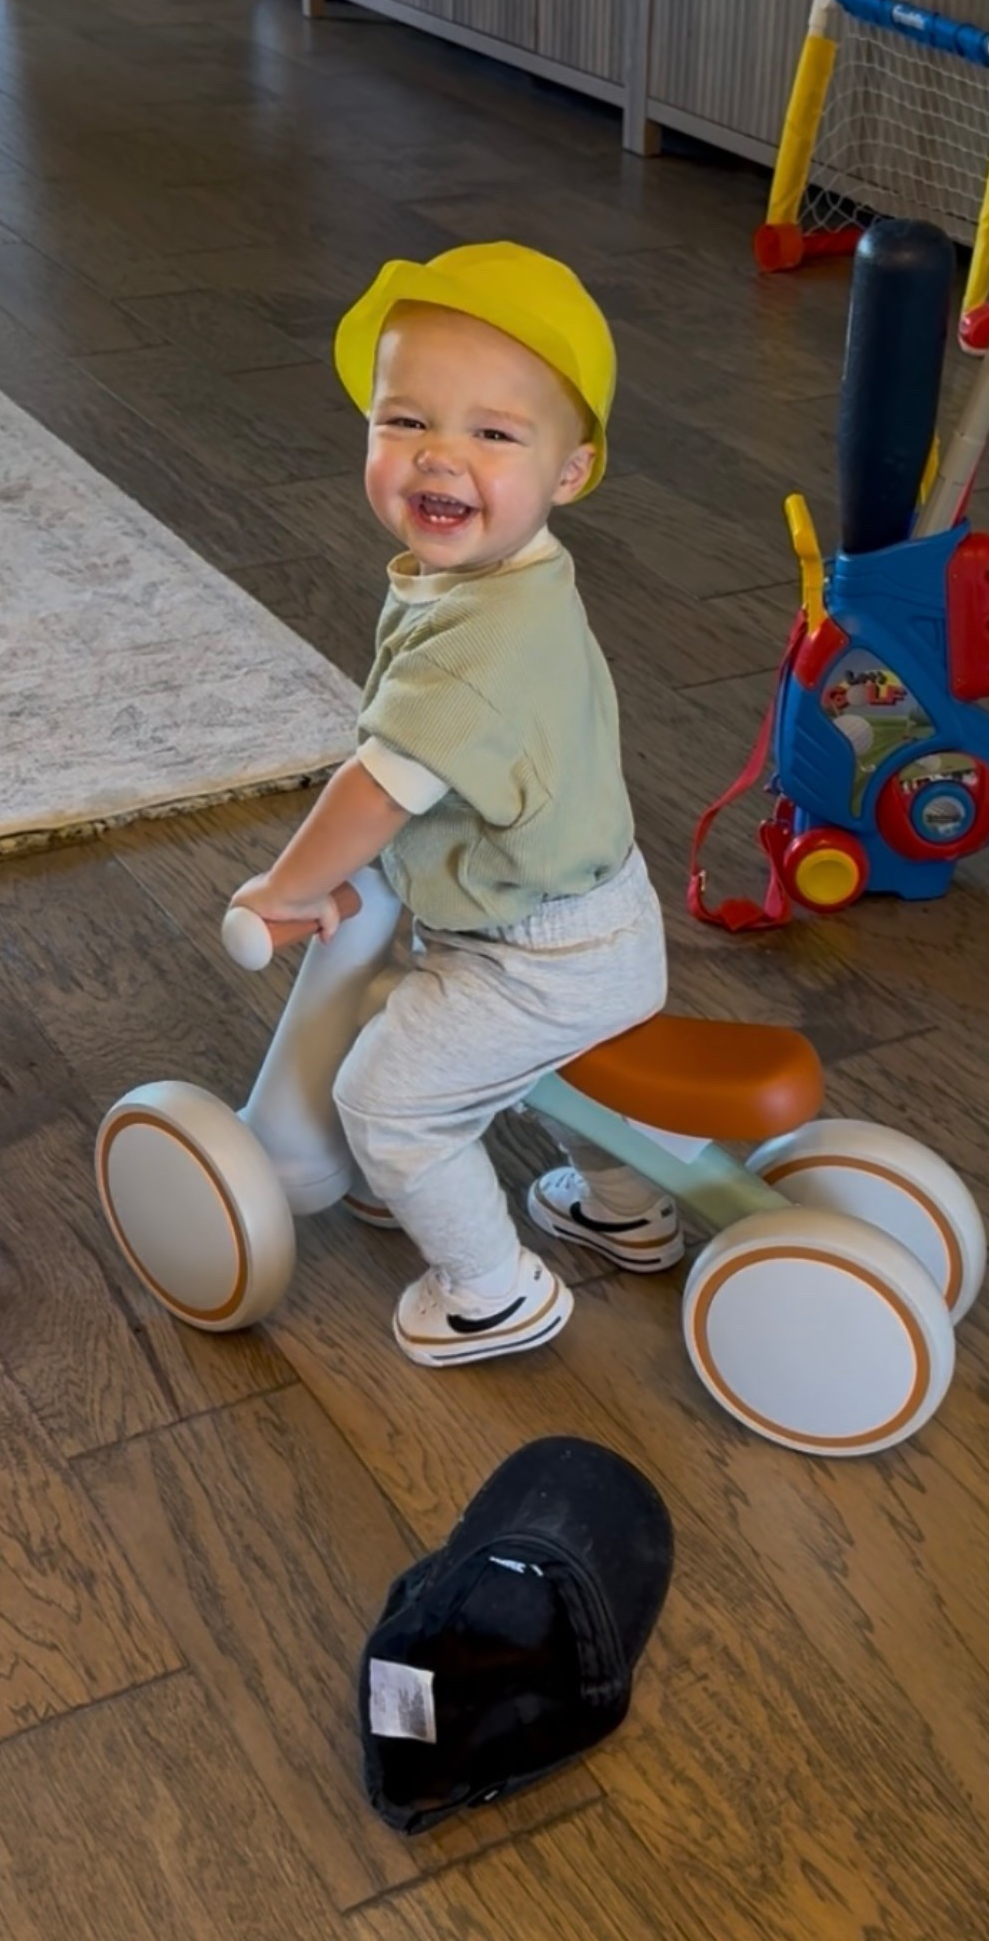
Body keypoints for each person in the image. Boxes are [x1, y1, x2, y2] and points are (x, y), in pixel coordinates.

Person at [228, 242, 680, 1368]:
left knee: (387, 1095)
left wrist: (287, 890)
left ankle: (489, 1291)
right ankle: (627, 1205)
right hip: (588, 916)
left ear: (570, 470)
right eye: (404, 420)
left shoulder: (483, 640)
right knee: (540, 1065)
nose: (440, 457)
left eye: (494, 432)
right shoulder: (511, 572)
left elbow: (374, 790)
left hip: (536, 953)